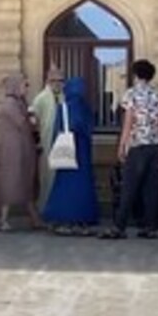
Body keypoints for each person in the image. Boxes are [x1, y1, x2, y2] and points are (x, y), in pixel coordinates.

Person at [102, 59, 158, 240]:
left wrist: (122, 145)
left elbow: (129, 122)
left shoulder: (131, 94)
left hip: (137, 145)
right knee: (150, 188)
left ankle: (119, 227)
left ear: (136, 74)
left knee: (129, 187)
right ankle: (150, 226)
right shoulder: (156, 95)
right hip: (154, 145)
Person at [42, 77, 99, 236]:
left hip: (66, 153)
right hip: (82, 154)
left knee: (64, 185)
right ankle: (82, 221)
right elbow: (89, 128)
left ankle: (61, 220)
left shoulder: (63, 108)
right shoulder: (85, 108)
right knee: (83, 186)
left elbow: (56, 130)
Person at [0, 73, 42, 232]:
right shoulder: (10, 104)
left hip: (23, 146)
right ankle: (4, 219)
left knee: (26, 182)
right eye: (24, 85)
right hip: (13, 150)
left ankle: (34, 218)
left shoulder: (20, 102)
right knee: (12, 182)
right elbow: (21, 122)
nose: (26, 89)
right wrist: (32, 119)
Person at [31, 66, 65, 210]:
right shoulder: (41, 98)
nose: (57, 84)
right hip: (47, 142)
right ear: (48, 81)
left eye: (60, 81)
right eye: (54, 80)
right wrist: (37, 139)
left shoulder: (64, 96)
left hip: (62, 143)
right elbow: (32, 118)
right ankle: (44, 208)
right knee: (46, 178)